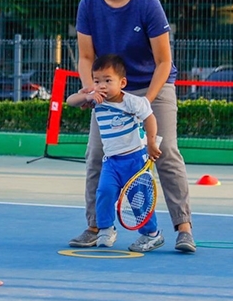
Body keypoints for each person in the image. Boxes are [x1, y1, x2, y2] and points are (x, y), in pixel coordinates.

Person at [69, 0, 195, 253]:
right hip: (109, 89)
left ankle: (183, 228)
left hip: (152, 85)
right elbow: (86, 57)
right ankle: (96, 226)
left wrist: (143, 105)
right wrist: (92, 90)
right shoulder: (89, 4)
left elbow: (164, 61)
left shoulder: (147, 3)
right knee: (97, 155)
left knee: (165, 153)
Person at [66, 54, 164, 251]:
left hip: (135, 161)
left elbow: (150, 118)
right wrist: (87, 95)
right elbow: (70, 101)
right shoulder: (95, 100)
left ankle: (152, 234)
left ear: (122, 82)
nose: (101, 85)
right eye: (97, 80)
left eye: (108, 80)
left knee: (139, 200)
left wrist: (152, 142)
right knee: (104, 192)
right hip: (111, 162)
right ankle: (106, 229)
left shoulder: (132, 102)